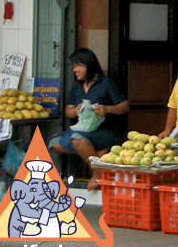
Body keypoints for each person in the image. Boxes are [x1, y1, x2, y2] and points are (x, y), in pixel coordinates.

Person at [49, 48, 128, 190]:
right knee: (53, 141)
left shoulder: (106, 83)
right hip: (84, 131)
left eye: (77, 66)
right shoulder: (76, 87)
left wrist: (107, 109)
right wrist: (75, 110)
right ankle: (97, 154)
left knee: (76, 139)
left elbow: (124, 106)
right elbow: (68, 111)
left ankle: (97, 173)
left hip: (106, 132)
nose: (74, 70)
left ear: (88, 65)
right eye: (73, 66)